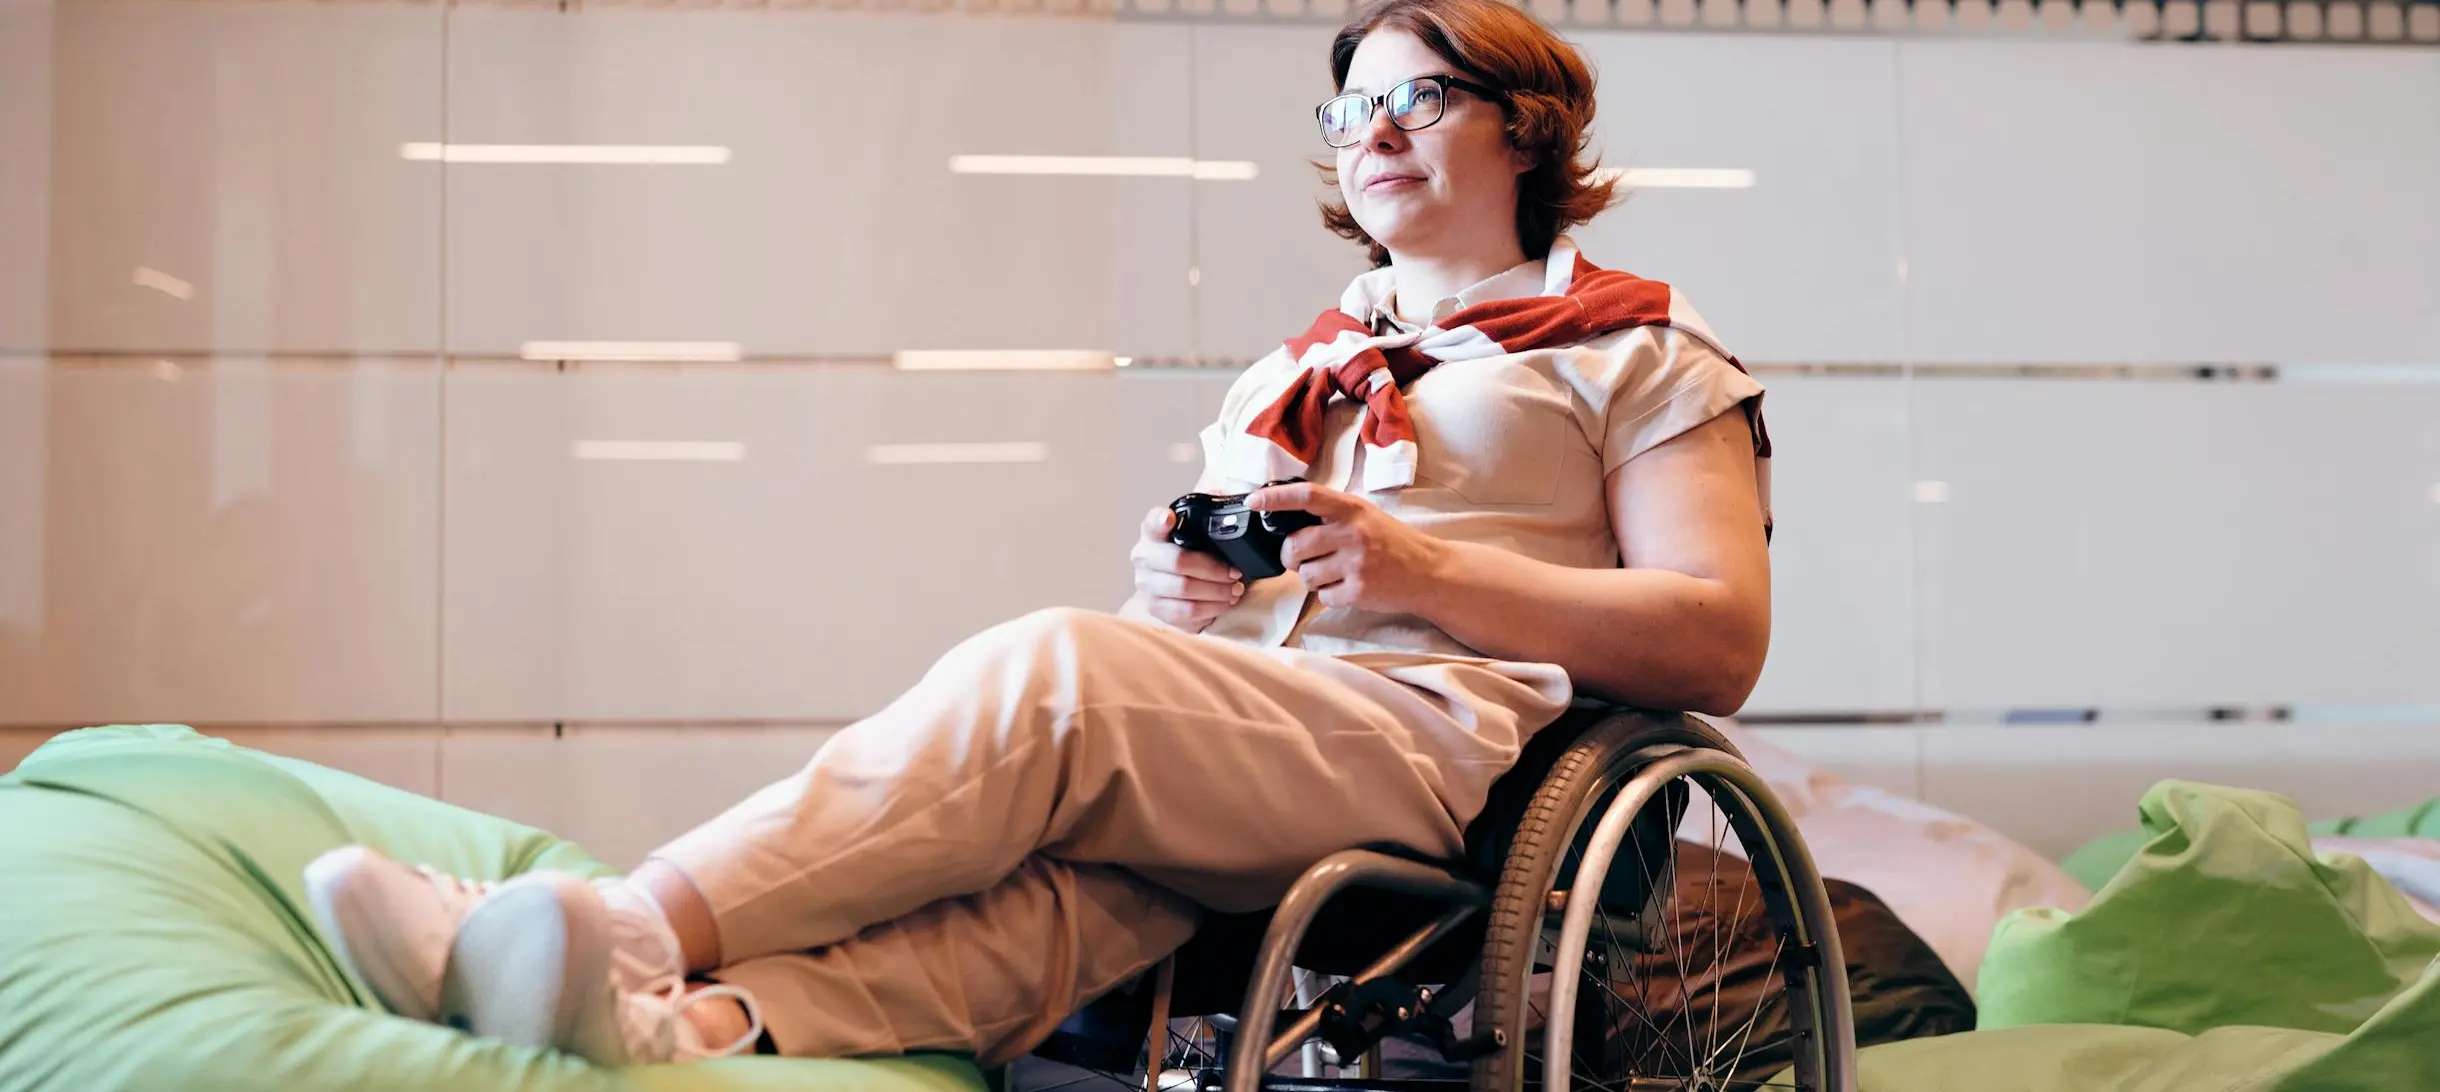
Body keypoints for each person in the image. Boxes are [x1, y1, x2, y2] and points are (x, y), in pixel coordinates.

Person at [301, 0, 1774, 1070]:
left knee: (1055, 675)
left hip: (1445, 750)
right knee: (1068, 895)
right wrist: (1183, 587)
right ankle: (671, 1027)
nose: (1372, 132)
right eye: (1351, 108)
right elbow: (1233, 609)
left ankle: (612, 924)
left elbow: (1719, 635)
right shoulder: (1300, 361)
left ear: (1523, 125)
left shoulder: (1636, 344)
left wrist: (1430, 570)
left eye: (1421, 97)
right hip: (1261, 726)